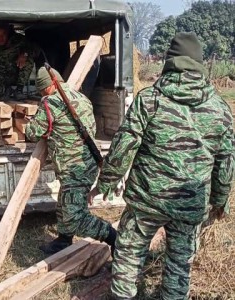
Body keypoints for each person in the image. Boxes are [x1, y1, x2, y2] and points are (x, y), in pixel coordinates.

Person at [88, 32, 234, 300]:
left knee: (129, 254)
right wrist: (219, 202)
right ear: (200, 65)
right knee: (179, 266)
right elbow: (225, 164)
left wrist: (107, 181)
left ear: (170, 62)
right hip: (189, 205)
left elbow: (124, 145)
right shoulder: (220, 110)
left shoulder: (150, 100)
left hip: (147, 200)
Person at [25, 66, 117, 255]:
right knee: (65, 202)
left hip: (74, 168)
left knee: (76, 217)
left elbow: (32, 133)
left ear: (46, 88)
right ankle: (63, 240)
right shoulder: (81, 97)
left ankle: (114, 238)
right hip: (87, 162)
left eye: (42, 90)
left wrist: (31, 120)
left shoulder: (51, 103)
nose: (42, 94)